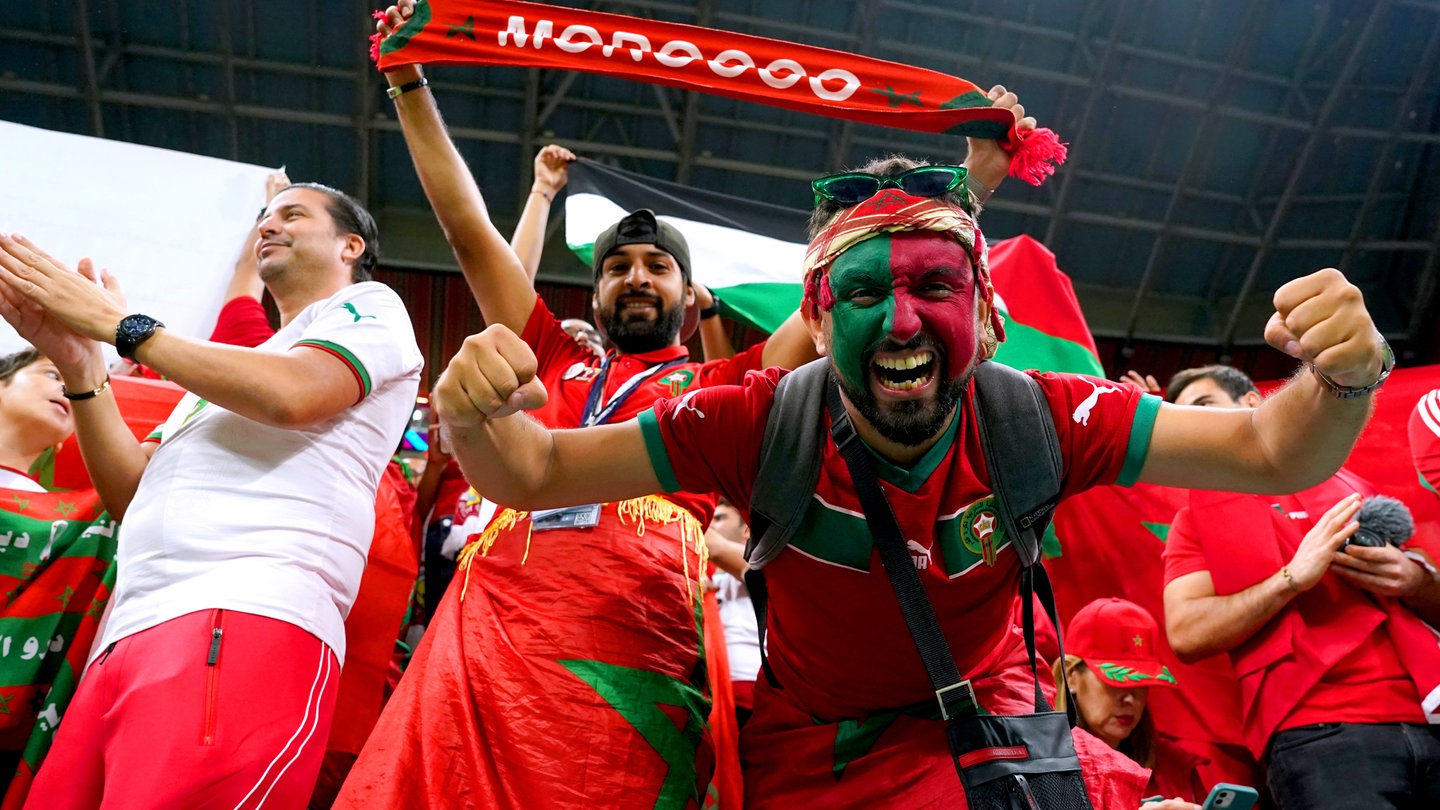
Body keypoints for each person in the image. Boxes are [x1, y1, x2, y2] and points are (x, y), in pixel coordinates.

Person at [427, 138, 1388, 806]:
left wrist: (1340, 378)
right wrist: (474, 417)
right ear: (815, 314)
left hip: (988, 740)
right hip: (813, 761)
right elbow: (538, 469)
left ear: (986, 307)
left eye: (935, 285)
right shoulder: (754, 419)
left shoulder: (1044, 415)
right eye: (862, 294)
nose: (898, 321)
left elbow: (1272, 451)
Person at [340, 5, 1033, 809]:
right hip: (492, 614)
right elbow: (467, 231)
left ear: (687, 292)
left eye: (657, 267)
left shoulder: (726, 383)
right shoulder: (557, 356)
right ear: (594, 293)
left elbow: (850, 305)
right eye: (618, 267)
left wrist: (971, 187)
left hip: (638, 631)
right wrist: (408, 82)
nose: (636, 278)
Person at [0, 180, 423, 808]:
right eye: (263, 215)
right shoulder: (218, 376)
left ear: (350, 245)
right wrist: (85, 366)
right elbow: (133, 492)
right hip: (129, 631)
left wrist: (121, 326)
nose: (268, 225)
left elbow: (294, 394)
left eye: (292, 214)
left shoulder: (370, 309)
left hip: (247, 612)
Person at [1162, 364, 1440, 809]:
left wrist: (1414, 580)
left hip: (1429, 713)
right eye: (1184, 419)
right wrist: (1291, 578)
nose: (1195, 426)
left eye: (1203, 406)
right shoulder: (1194, 520)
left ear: (1253, 403)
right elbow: (1186, 633)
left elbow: (1432, 599)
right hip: (1323, 735)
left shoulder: (1359, 489)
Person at [1054, 598, 1207, 803]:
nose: (1130, 699)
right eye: (1116, 681)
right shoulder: (1046, 769)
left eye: (1141, 684)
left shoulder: (1177, 770)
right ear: (1071, 676)